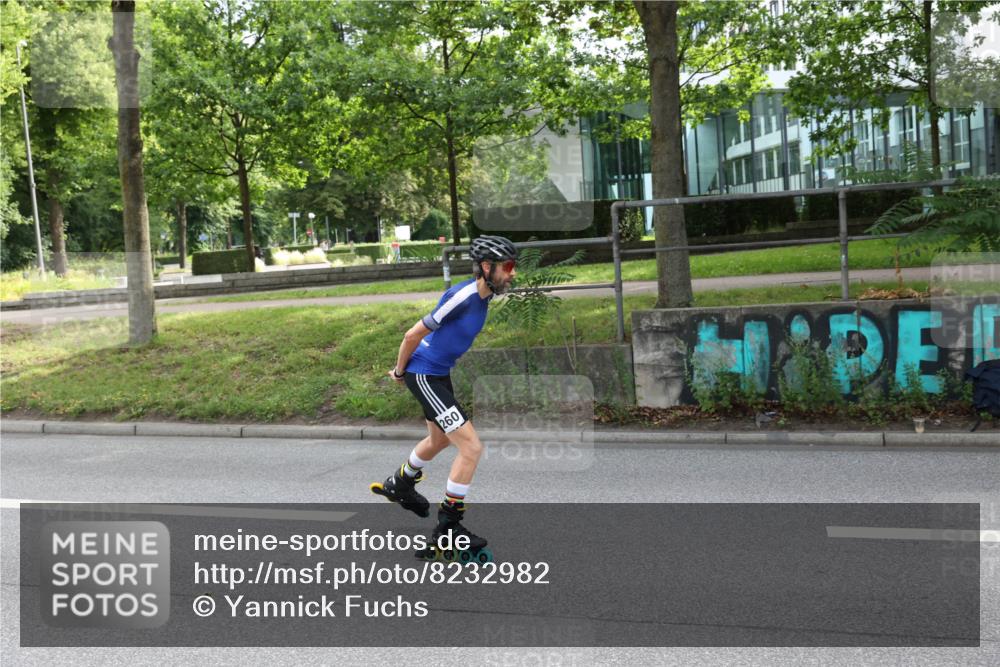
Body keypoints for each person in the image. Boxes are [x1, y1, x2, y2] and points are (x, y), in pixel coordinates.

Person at [370, 235, 518, 555]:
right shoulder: (462, 296)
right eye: (507, 266)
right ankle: (448, 528)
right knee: (471, 447)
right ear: (486, 267)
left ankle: (401, 482)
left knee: (438, 440)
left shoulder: (484, 298)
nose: (512, 273)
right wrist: (400, 371)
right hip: (424, 374)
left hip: (437, 373)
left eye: (513, 266)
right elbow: (413, 334)